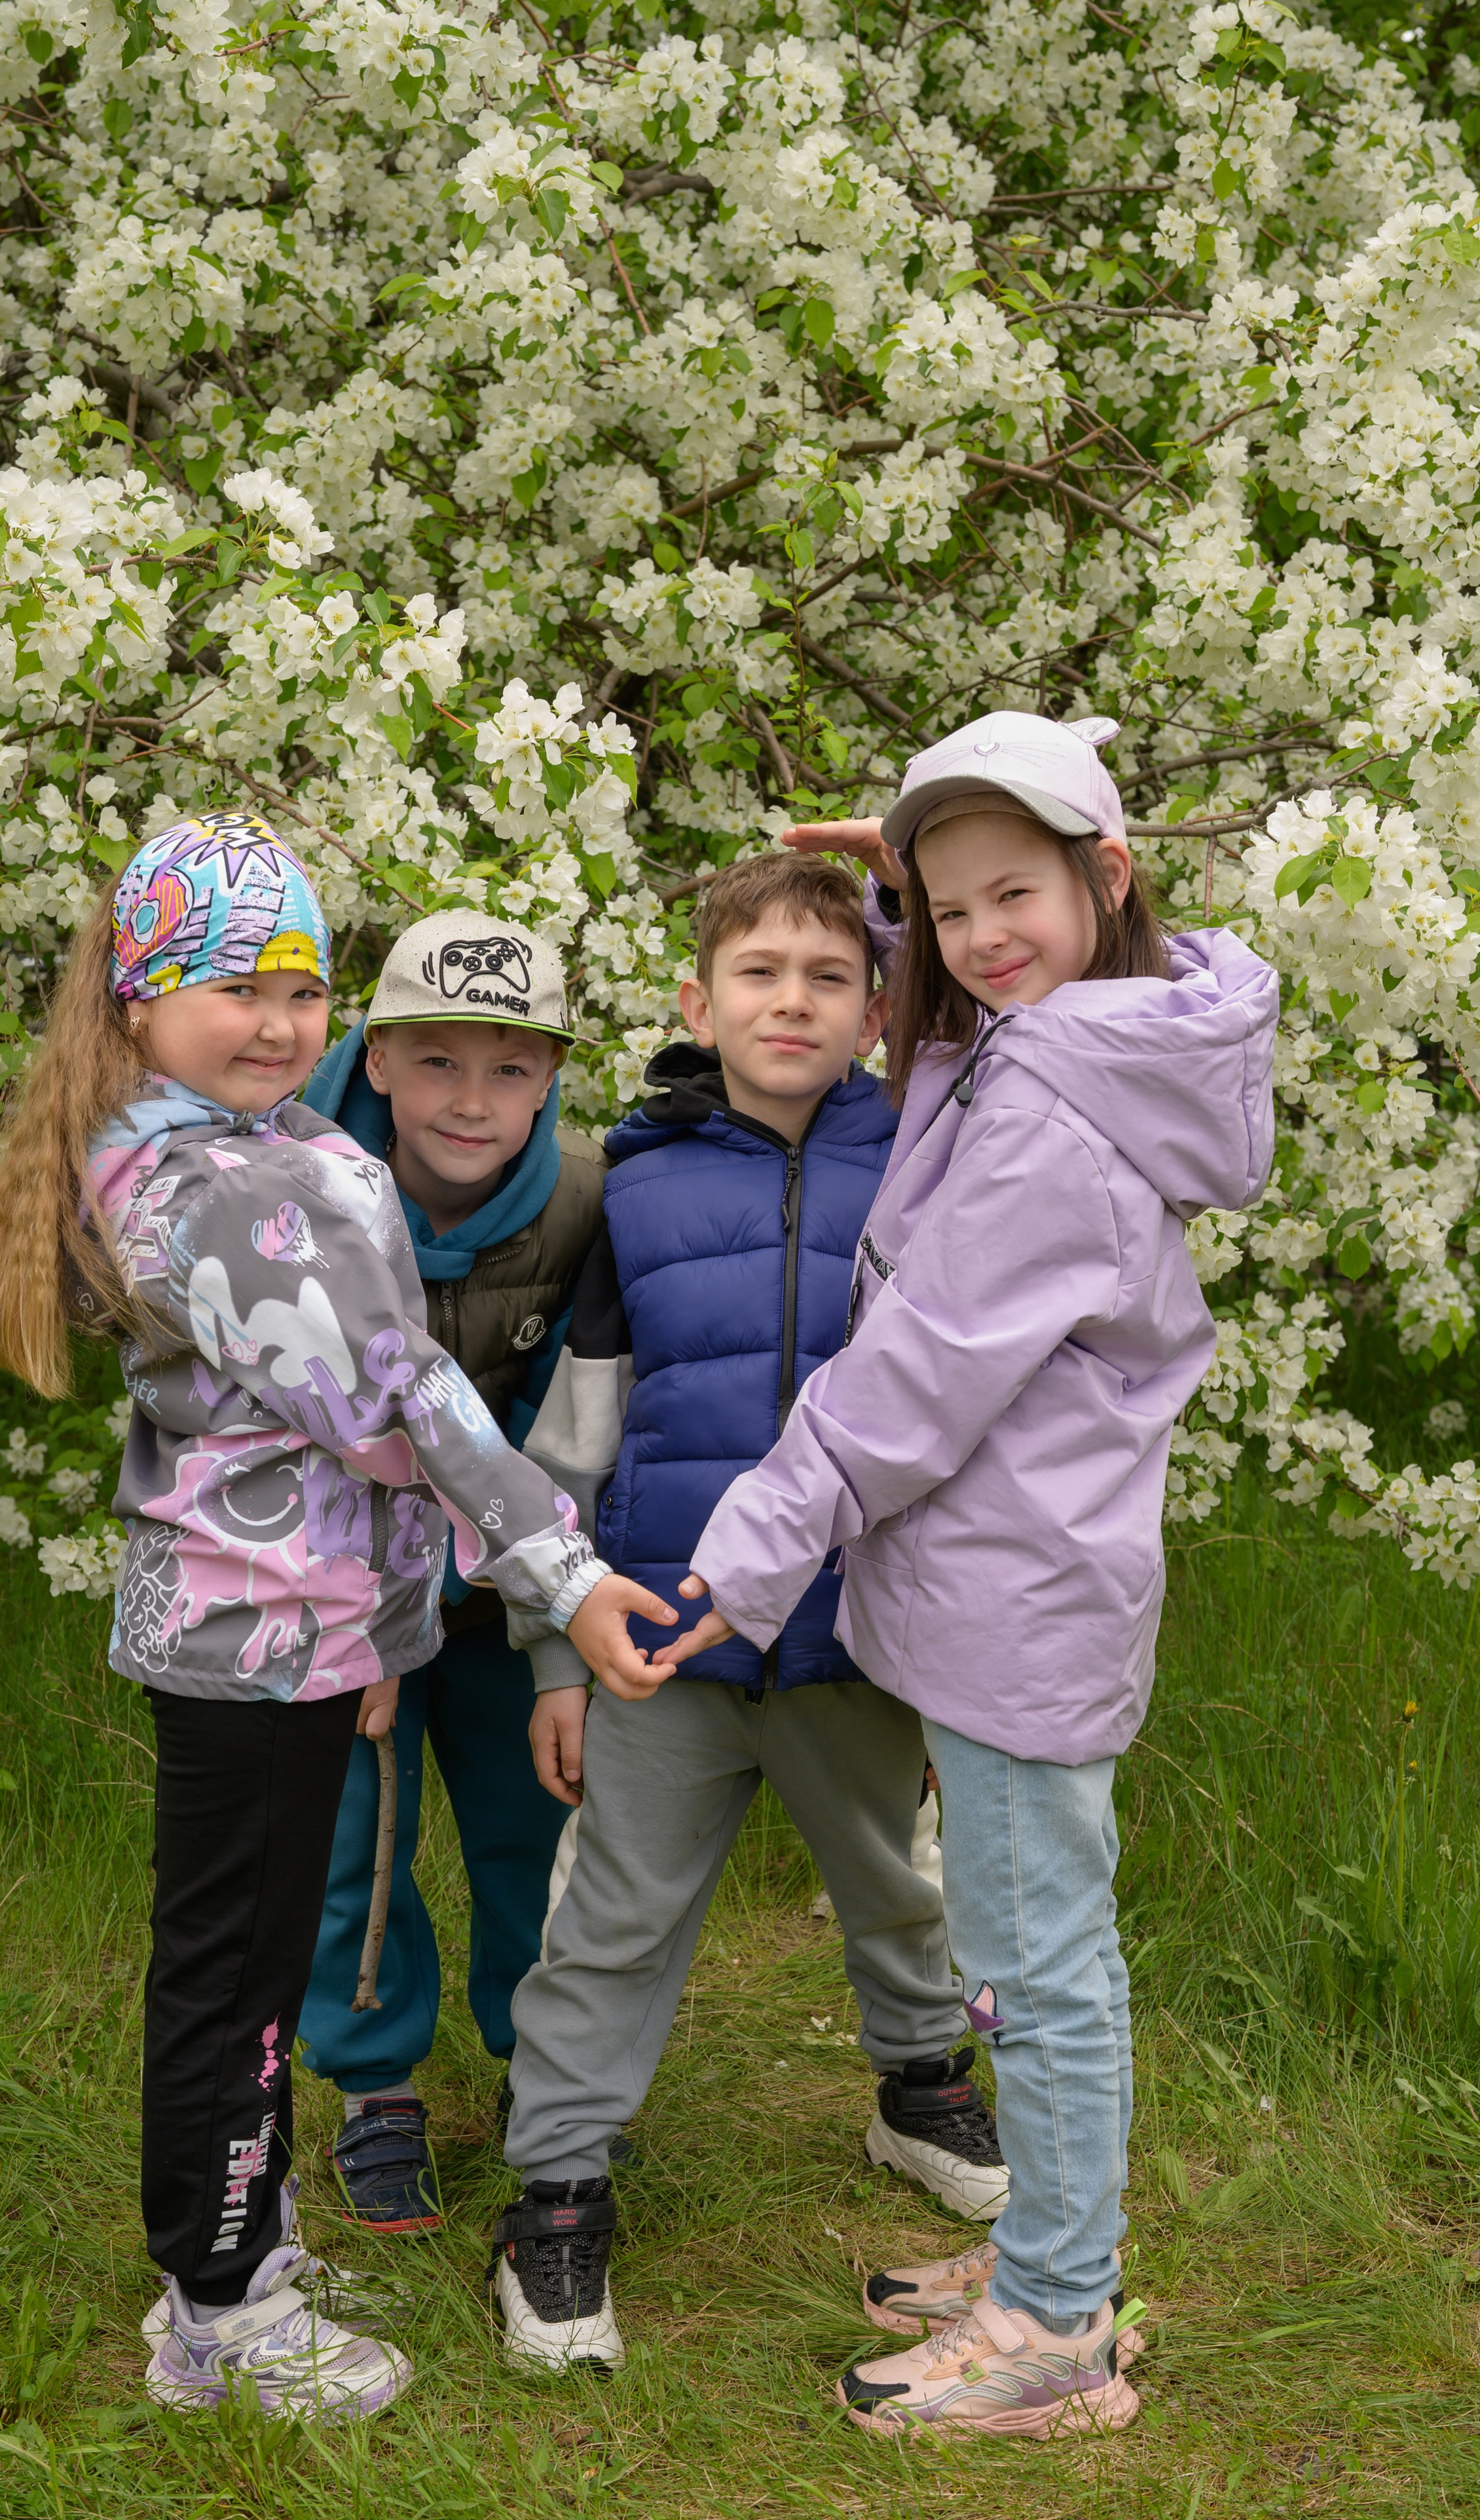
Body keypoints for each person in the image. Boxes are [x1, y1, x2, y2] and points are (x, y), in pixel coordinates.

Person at [0, 811, 673, 2422]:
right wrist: (560, 1569)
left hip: (286, 1629)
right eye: (232, 986)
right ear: (140, 996)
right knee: (234, 1985)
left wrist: (382, 1638)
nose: (277, 1021)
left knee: (249, 1969)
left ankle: (236, 2262)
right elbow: (394, 1400)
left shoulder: (231, 1144)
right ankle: (220, 2310)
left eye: (299, 985)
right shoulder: (230, 1189)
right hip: (252, 1642)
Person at [660, 714, 1278, 2440]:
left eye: (1018, 894)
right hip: (1016, 1581)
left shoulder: (1052, 1122)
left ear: (1111, 876)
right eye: (946, 912)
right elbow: (951, 1105)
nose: (980, 938)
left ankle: (1060, 2327)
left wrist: (752, 1550)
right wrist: (914, 898)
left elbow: (915, 1367)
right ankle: (1060, 2260)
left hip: (1022, 1598)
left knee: (1038, 1965)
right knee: (1030, 1943)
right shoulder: (1062, 1050)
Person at [490, 851, 1005, 2377]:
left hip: (865, 1633)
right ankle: (558, 2194)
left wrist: (903, 900)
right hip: (661, 1638)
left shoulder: (928, 1151)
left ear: (879, 1006)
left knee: (900, 1888)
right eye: (758, 974)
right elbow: (570, 1438)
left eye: (832, 976)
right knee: (607, 1921)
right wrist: (553, 1647)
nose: (792, 1001)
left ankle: (917, 2089)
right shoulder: (635, 1181)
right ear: (694, 999)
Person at [295, 912, 607, 2234]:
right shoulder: (289, 1196)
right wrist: (361, 1629)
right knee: (350, 1835)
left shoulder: (585, 1205)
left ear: (547, 1080)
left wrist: (552, 1649)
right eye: (435, 1063)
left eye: (509, 1068)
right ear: (374, 1061)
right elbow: (291, 1432)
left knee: (530, 1828)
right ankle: (375, 2087)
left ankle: (548, 2075)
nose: (470, 1103)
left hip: (501, 1594)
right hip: (333, 1587)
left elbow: (564, 1440)